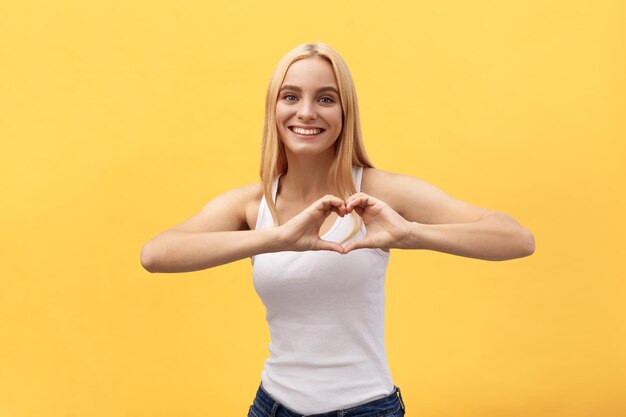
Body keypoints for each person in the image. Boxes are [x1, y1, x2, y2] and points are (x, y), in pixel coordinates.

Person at [140, 42, 535, 417]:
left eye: (325, 99)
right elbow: (156, 254)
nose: (306, 112)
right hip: (272, 405)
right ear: (273, 108)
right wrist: (277, 238)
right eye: (291, 96)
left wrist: (411, 235)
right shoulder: (252, 204)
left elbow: (515, 238)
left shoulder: (380, 191)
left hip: (366, 408)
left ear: (345, 112)